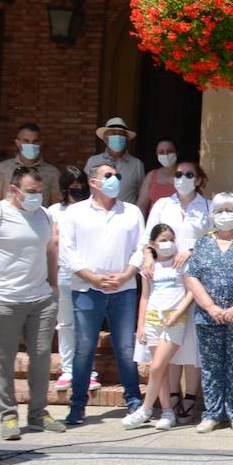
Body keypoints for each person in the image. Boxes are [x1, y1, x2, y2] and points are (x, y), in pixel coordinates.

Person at [0, 165, 64, 439]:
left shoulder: (43, 215)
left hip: (40, 300)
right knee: (4, 360)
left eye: (40, 192)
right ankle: (8, 416)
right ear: (14, 190)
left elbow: (50, 249)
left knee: (41, 358)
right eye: (31, 191)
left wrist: (54, 285)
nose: (37, 197)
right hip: (5, 300)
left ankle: (38, 413)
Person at [59, 162, 147, 425]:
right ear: (94, 182)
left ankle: (133, 399)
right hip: (87, 289)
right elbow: (67, 251)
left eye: (117, 175)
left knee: (125, 347)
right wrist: (92, 277)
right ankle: (78, 405)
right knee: (85, 348)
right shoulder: (75, 213)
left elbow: (141, 248)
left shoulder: (131, 212)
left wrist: (126, 274)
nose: (115, 180)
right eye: (108, 176)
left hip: (124, 289)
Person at [184, 193, 233, 434]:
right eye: (219, 210)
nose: (224, 215)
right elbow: (191, 276)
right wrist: (210, 307)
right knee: (211, 366)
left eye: (229, 209)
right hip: (209, 316)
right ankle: (212, 413)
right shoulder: (202, 243)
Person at [143, 157, 212, 420]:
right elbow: (148, 239)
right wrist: (149, 257)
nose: (183, 178)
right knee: (168, 343)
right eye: (179, 174)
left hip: (196, 280)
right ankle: (172, 395)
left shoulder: (206, 206)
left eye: (189, 174)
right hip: (165, 282)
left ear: (199, 178)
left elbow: (214, 240)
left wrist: (191, 250)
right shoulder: (162, 204)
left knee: (192, 343)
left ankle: (191, 398)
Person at [121, 224, 194, 431]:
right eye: (162, 239)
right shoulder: (149, 268)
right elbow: (144, 297)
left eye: (170, 238)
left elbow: (190, 292)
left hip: (174, 320)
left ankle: (145, 409)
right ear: (153, 244)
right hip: (153, 318)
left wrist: (177, 313)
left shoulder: (181, 263)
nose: (167, 243)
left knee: (156, 366)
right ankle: (167, 411)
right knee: (159, 368)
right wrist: (140, 325)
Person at [50, 166, 98, 393]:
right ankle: (68, 369)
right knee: (66, 323)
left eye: (82, 184)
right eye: (73, 185)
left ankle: (90, 371)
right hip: (64, 272)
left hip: (87, 272)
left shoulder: (92, 209)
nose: (78, 188)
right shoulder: (54, 211)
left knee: (87, 324)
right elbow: (52, 241)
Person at [0, 122, 61, 206]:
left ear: (40, 143)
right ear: (17, 143)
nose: (30, 145)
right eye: (26, 141)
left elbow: (55, 206)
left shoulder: (52, 172)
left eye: (35, 141)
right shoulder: (3, 168)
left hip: (38, 218)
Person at [84, 117, 145, 205]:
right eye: (113, 134)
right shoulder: (93, 161)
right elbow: (85, 189)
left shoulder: (137, 165)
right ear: (105, 139)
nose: (118, 137)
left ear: (126, 139)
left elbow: (142, 195)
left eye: (121, 134)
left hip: (125, 215)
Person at [136, 137, 179, 214]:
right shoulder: (151, 175)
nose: (165, 154)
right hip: (155, 224)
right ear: (157, 154)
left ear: (177, 152)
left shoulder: (186, 174)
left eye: (169, 151)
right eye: (161, 152)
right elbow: (142, 205)